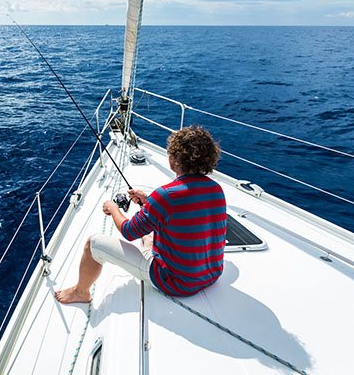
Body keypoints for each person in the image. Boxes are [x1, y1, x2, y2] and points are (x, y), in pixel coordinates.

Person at [55, 125, 227, 303]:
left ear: (175, 159)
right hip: (211, 275)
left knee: (93, 244)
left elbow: (129, 231)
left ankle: (81, 292)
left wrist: (113, 207)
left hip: (176, 282)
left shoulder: (165, 196)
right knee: (149, 236)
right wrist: (148, 201)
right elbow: (187, 214)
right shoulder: (216, 189)